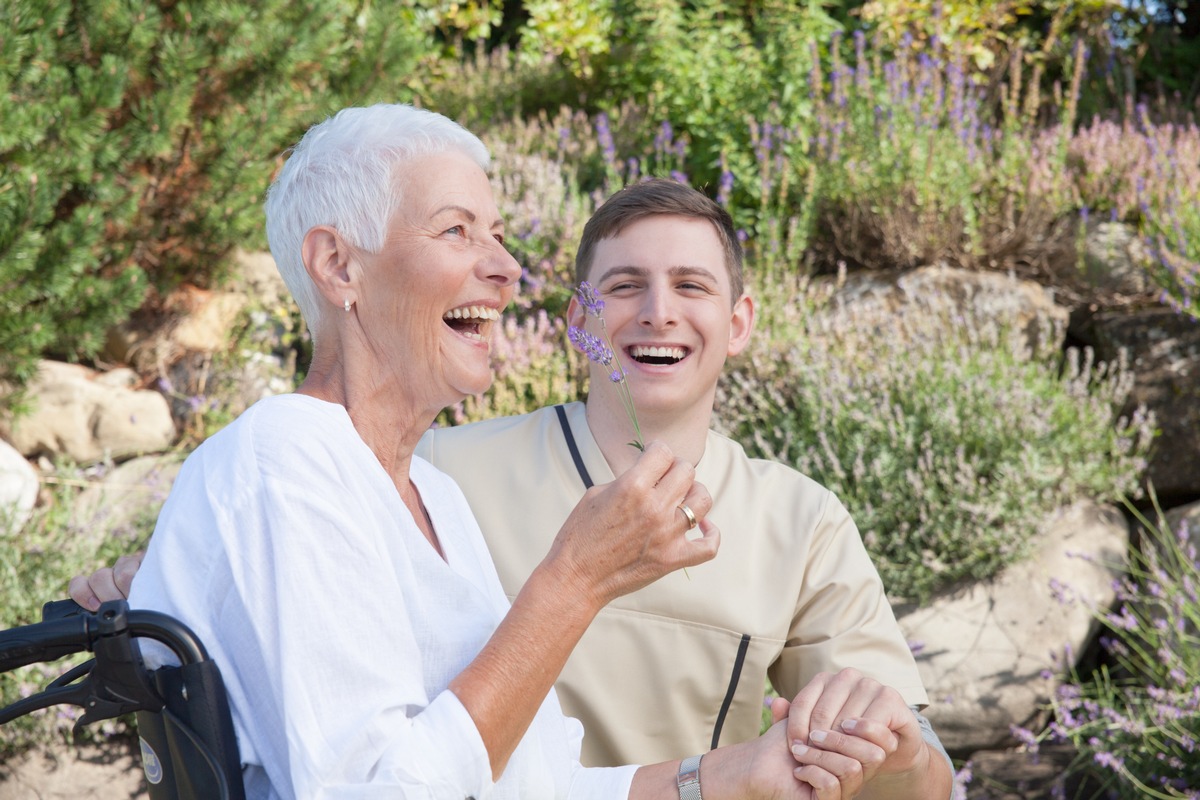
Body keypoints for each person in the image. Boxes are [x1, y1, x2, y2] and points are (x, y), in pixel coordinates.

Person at [74, 168, 954, 794]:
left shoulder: (801, 521)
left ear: (739, 322)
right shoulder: (434, 480)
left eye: (691, 285)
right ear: (578, 322)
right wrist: (145, 581)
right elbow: (261, 565)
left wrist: (894, 747)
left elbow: (923, 782)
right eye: (622, 287)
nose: (657, 311)